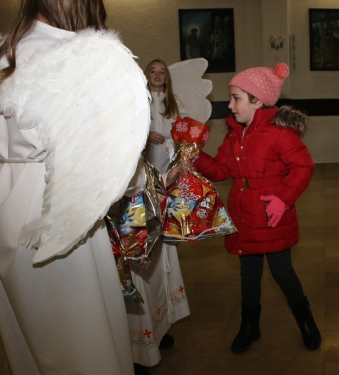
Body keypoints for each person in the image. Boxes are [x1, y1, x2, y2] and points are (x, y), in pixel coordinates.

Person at [0, 1, 151, 374]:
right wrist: (141, 182)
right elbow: (115, 154)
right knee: (83, 339)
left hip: (8, 205)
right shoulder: (81, 57)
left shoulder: (7, 50)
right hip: (57, 207)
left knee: (33, 339)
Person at [193, 63, 321, 353]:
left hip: (271, 213)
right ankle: (250, 326)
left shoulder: (279, 133)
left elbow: (303, 166)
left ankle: (306, 321)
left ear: (257, 100)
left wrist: (283, 198)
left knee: (282, 272)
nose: (230, 104)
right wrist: (195, 157)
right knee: (248, 272)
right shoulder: (234, 133)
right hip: (243, 214)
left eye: (236, 97)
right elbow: (220, 170)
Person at [126, 59, 191, 374]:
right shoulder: (134, 106)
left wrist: (178, 166)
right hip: (135, 202)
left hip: (157, 186)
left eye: (161, 71)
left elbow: (177, 142)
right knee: (141, 272)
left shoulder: (172, 105)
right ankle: (141, 343)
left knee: (160, 266)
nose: (157, 75)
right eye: (152, 71)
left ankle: (160, 327)